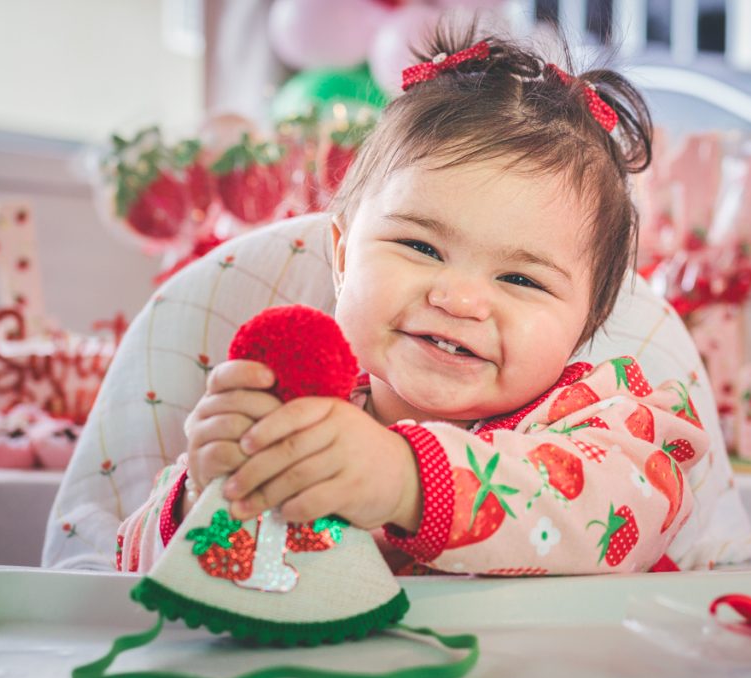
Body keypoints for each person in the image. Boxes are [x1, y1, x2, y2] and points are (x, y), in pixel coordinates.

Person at [116, 24, 713, 576]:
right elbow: (135, 575)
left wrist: (405, 480)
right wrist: (205, 494)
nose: (458, 298)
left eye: (522, 280)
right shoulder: (297, 417)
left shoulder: (604, 419)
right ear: (344, 257)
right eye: (421, 246)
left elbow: (612, 517)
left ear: (586, 322)